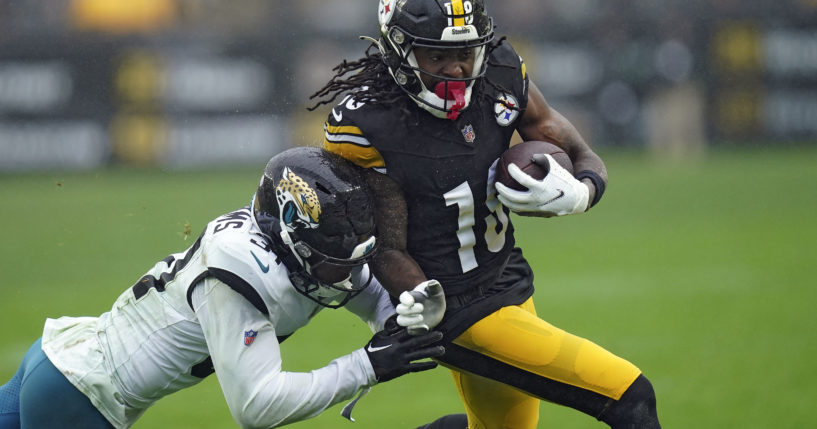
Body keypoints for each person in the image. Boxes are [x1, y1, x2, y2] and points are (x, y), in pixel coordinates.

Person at [309, 1, 661, 428]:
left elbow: (574, 148)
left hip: (506, 276)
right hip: (452, 306)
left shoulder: (499, 70)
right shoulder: (369, 122)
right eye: (437, 55)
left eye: (464, 53)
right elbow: (386, 246)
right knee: (631, 397)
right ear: (398, 51)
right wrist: (423, 296)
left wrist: (583, 192)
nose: (456, 69)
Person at [0, 147, 445, 429]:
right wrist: (366, 366)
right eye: (334, 262)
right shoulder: (241, 271)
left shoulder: (290, 243)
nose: (347, 274)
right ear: (291, 235)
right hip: (81, 400)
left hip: (60, 364)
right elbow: (257, 406)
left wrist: (403, 319)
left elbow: (368, 288)